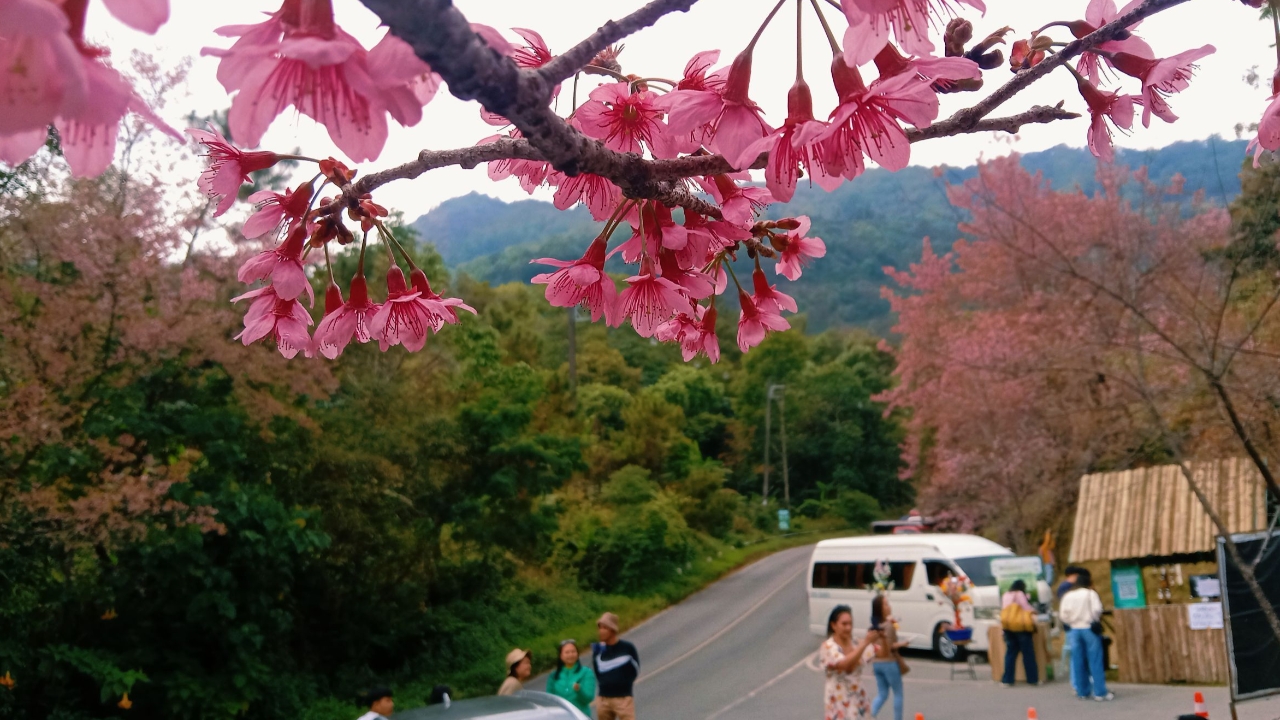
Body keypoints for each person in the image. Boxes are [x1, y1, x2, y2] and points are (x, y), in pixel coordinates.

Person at [1059, 572, 1114, 702]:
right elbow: (1097, 610)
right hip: (1089, 628)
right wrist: (1094, 619)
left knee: (1078, 661)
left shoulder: (1068, 595)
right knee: (1095, 660)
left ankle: (1082, 691)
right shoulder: (1090, 594)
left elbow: (1063, 614)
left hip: (1074, 630)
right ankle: (1100, 692)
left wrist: (1071, 622)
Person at [822, 604, 879, 720]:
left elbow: (880, 651)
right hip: (838, 702)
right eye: (844, 624)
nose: (848, 628)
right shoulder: (828, 647)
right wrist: (864, 643)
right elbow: (845, 664)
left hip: (859, 699)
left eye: (850, 624)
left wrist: (883, 634)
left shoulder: (856, 643)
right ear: (833, 625)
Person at [592, 612, 639, 720]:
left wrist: (623, 685)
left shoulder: (627, 648)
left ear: (612, 630)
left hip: (623, 698)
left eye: (604, 628)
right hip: (603, 698)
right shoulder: (599, 649)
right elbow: (597, 670)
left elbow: (635, 669)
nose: (600, 631)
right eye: (599, 628)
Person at [868, 596, 907, 720]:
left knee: (882, 694)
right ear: (880, 609)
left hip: (876, 663)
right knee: (898, 693)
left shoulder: (873, 626)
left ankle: (869, 715)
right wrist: (904, 643)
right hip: (889, 662)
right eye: (885, 604)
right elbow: (890, 646)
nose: (889, 606)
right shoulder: (889, 626)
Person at [1000, 579, 1039, 687]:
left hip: (1008, 627)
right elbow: (1026, 608)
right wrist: (1034, 611)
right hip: (1021, 627)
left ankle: (1007, 680)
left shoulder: (1006, 595)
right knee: (1028, 654)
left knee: (1010, 654)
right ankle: (1032, 679)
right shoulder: (1020, 594)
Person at [547, 638, 596, 717]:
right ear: (560, 656)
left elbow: (589, 698)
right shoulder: (553, 676)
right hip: (561, 717)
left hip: (581, 716)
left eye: (573, 651)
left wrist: (579, 690)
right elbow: (549, 700)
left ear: (577, 654)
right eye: (567, 652)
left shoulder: (586, 672)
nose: (570, 655)